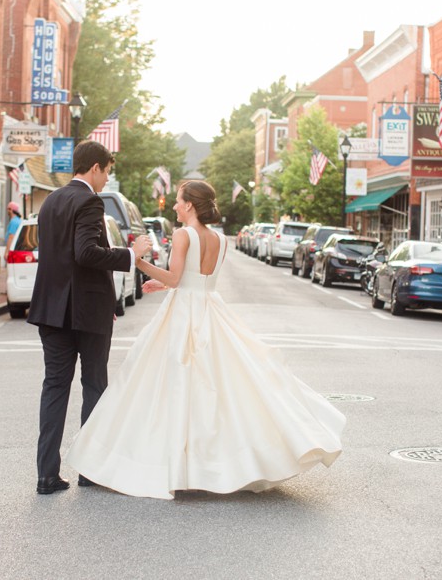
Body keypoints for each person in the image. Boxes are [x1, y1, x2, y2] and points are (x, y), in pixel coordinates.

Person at [67, 180, 344, 500]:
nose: (173, 206)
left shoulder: (184, 235)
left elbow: (175, 277)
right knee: (220, 388)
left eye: (178, 201)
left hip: (185, 314)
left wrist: (140, 260)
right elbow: (193, 280)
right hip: (211, 309)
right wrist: (166, 285)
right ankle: (217, 464)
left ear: (189, 206)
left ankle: (172, 465)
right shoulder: (220, 238)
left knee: (168, 387)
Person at [27, 140, 152, 496]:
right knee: (94, 386)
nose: (106, 179)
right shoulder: (89, 201)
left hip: (51, 310)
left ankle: (46, 474)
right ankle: (90, 470)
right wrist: (130, 253)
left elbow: (61, 255)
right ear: (95, 168)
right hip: (86, 311)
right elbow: (85, 253)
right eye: (107, 171)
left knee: (54, 388)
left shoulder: (51, 200)